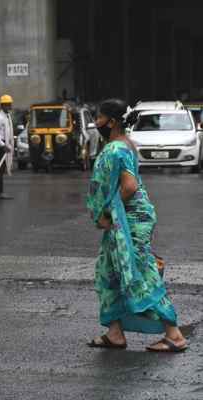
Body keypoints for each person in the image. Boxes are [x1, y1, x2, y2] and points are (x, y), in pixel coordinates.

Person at [86, 98, 187, 352]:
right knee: (108, 271)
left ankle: (174, 335)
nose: (96, 123)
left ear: (111, 121)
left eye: (99, 118)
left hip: (130, 219)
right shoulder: (123, 145)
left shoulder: (116, 149)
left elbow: (129, 187)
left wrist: (110, 210)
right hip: (128, 217)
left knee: (139, 273)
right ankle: (115, 332)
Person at [0, 94, 15, 200]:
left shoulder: (7, 116)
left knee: (1, 169)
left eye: (10, 104)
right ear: (2, 105)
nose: (9, 106)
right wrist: (3, 145)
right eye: (7, 105)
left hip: (4, 145)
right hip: (0, 146)